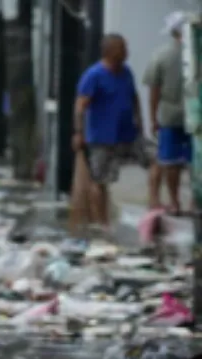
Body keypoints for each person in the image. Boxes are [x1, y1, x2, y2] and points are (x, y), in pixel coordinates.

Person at [73, 34, 150, 232]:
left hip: (128, 135)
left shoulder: (126, 73)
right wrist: (78, 132)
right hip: (101, 138)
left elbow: (134, 98)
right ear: (111, 51)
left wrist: (140, 122)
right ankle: (102, 223)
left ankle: (155, 205)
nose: (127, 52)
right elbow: (81, 106)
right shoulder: (94, 75)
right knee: (100, 181)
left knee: (156, 161)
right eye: (123, 48)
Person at [144, 12, 191, 216]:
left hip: (169, 117)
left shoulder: (161, 55)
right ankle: (195, 202)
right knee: (194, 161)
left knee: (171, 162)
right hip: (196, 118)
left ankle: (174, 202)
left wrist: (153, 118)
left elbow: (154, 91)